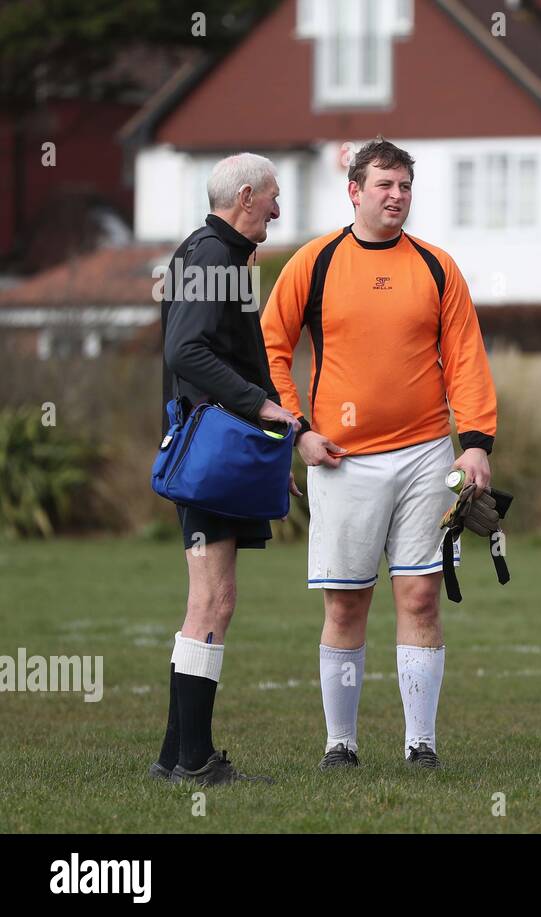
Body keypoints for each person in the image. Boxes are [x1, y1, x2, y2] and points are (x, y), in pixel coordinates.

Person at [261, 139, 496, 771]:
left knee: (420, 598)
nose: (397, 197)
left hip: (426, 454)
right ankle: (341, 745)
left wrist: (474, 443)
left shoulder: (438, 267)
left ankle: (422, 745)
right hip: (340, 458)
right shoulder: (314, 262)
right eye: (385, 185)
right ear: (355, 191)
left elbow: (468, 361)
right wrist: (296, 431)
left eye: (405, 186)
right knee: (345, 602)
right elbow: (270, 351)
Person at [153, 152, 299, 786]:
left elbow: (227, 353)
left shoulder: (223, 255)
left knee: (214, 599)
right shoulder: (212, 256)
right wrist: (262, 406)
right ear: (246, 195)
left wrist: (272, 445)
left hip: (228, 451)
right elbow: (185, 350)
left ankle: (173, 758)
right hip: (211, 454)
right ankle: (194, 762)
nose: (277, 207)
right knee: (212, 600)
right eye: (272, 196)